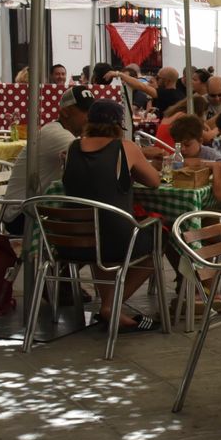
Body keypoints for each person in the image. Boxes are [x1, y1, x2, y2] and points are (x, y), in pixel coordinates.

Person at [60, 100, 164, 331]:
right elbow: (154, 181)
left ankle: (109, 307)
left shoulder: (71, 149)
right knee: (157, 245)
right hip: (115, 239)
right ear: (119, 124)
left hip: (72, 241)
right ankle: (111, 305)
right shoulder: (125, 148)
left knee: (99, 230)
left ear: (89, 121)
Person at [0, 85, 92, 234]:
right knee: (92, 213)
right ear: (65, 112)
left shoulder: (60, 131)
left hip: (31, 207)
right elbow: (99, 158)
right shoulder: (56, 134)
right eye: (84, 111)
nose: (90, 117)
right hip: (21, 213)